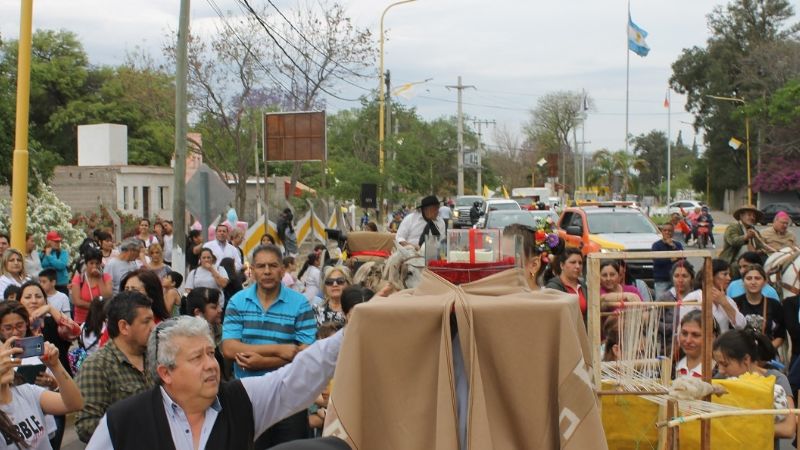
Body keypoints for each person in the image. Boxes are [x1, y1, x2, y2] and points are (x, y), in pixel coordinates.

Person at [85, 311, 343, 450]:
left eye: (211, 353)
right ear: (166, 373)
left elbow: (299, 375)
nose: (211, 364)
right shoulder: (123, 420)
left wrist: (355, 329)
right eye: (197, 358)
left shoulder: (241, 400)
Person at [221, 244, 317, 448]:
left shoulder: (300, 303)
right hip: (248, 395)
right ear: (252, 270)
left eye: (273, 266)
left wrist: (261, 362)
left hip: (290, 394)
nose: (267, 271)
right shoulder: (238, 301)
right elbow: (229, 348)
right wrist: (279, 350)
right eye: (261, 266)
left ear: (282, 269)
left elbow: (306, 352)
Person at [75, 291, 155, 443]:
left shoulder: (155, 358)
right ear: (124, 326)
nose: (153, 326)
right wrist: (139, 427)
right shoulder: (97, 366)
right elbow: (86, 426)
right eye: (146, 321)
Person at [713, 328, 796, 445]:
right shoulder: (720, 380)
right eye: (718, 364)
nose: (721, 370)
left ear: (746, 359)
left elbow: (788, 429)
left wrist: (740, 427)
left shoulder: (776, 380)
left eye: (725, 364)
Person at [0, 334, 84, 449]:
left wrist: (55, 365)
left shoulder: (27, 392)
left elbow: (76, 403)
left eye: (3, 354)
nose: (4, 362)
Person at [681, 259, 745, 333]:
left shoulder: (727, 300)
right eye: (725, 274)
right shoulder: (693, 298)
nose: (729, 278)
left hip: (721, 343)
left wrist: (724, 303)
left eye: (729, 275)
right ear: (711, 276)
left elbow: (741, 325)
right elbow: (682, 326)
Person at [732, 265, 785, 350]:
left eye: (757, 278)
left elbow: (780, 335)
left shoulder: (774, 305)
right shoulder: (734, 303)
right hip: (740, 354)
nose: (753, 282)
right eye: (749, 278)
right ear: (743, 282)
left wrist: (766, 351)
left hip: (767, 355)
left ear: (764, 282)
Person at [503, 221, 563, 290]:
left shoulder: (548, 299)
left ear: (534, 265)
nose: (497, 265)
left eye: (507, 261)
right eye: (497, 259)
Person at [658, 261, 696, 355]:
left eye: (684, 276)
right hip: (668, 348)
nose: (680, 280)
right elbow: (654, 323)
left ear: (692, 278)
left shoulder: (697, 297)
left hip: (694, 345)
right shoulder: (665, 298)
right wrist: (675, 328)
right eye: (676, 276)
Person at [70, 248, 113, 325]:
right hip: (82, 321)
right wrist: (96, 307)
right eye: (91, 263)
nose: (94, 266)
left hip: (101, 321)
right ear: (86, 264)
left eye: (97, 263)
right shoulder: (78, 278)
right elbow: (76, 301)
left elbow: (107, 296)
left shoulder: (106, 277)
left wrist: (99, 278)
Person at [675, 310, 718, 379]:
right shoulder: (671, 368)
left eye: (696, 335)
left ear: (711, 338)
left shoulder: (720, 373)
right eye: (684, 333)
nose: (688, 340)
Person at [545, 248, 587, 318]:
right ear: (562, 265)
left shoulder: (584, 286)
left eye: (580, 263)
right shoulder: (553, 288)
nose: (577, 266)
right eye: (573, 262)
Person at [651, 223, 684, 300]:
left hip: (676, 280)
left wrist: (673, 247)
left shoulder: (678, 245)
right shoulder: (656, 245)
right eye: (665, 230)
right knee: (660, 304)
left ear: (673, 232)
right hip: (661, 280)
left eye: (670, 231)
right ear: (661, 232)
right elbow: (657, 261)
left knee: (679, 302)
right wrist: (672, 259)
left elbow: (683, 259)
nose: (667, 232)